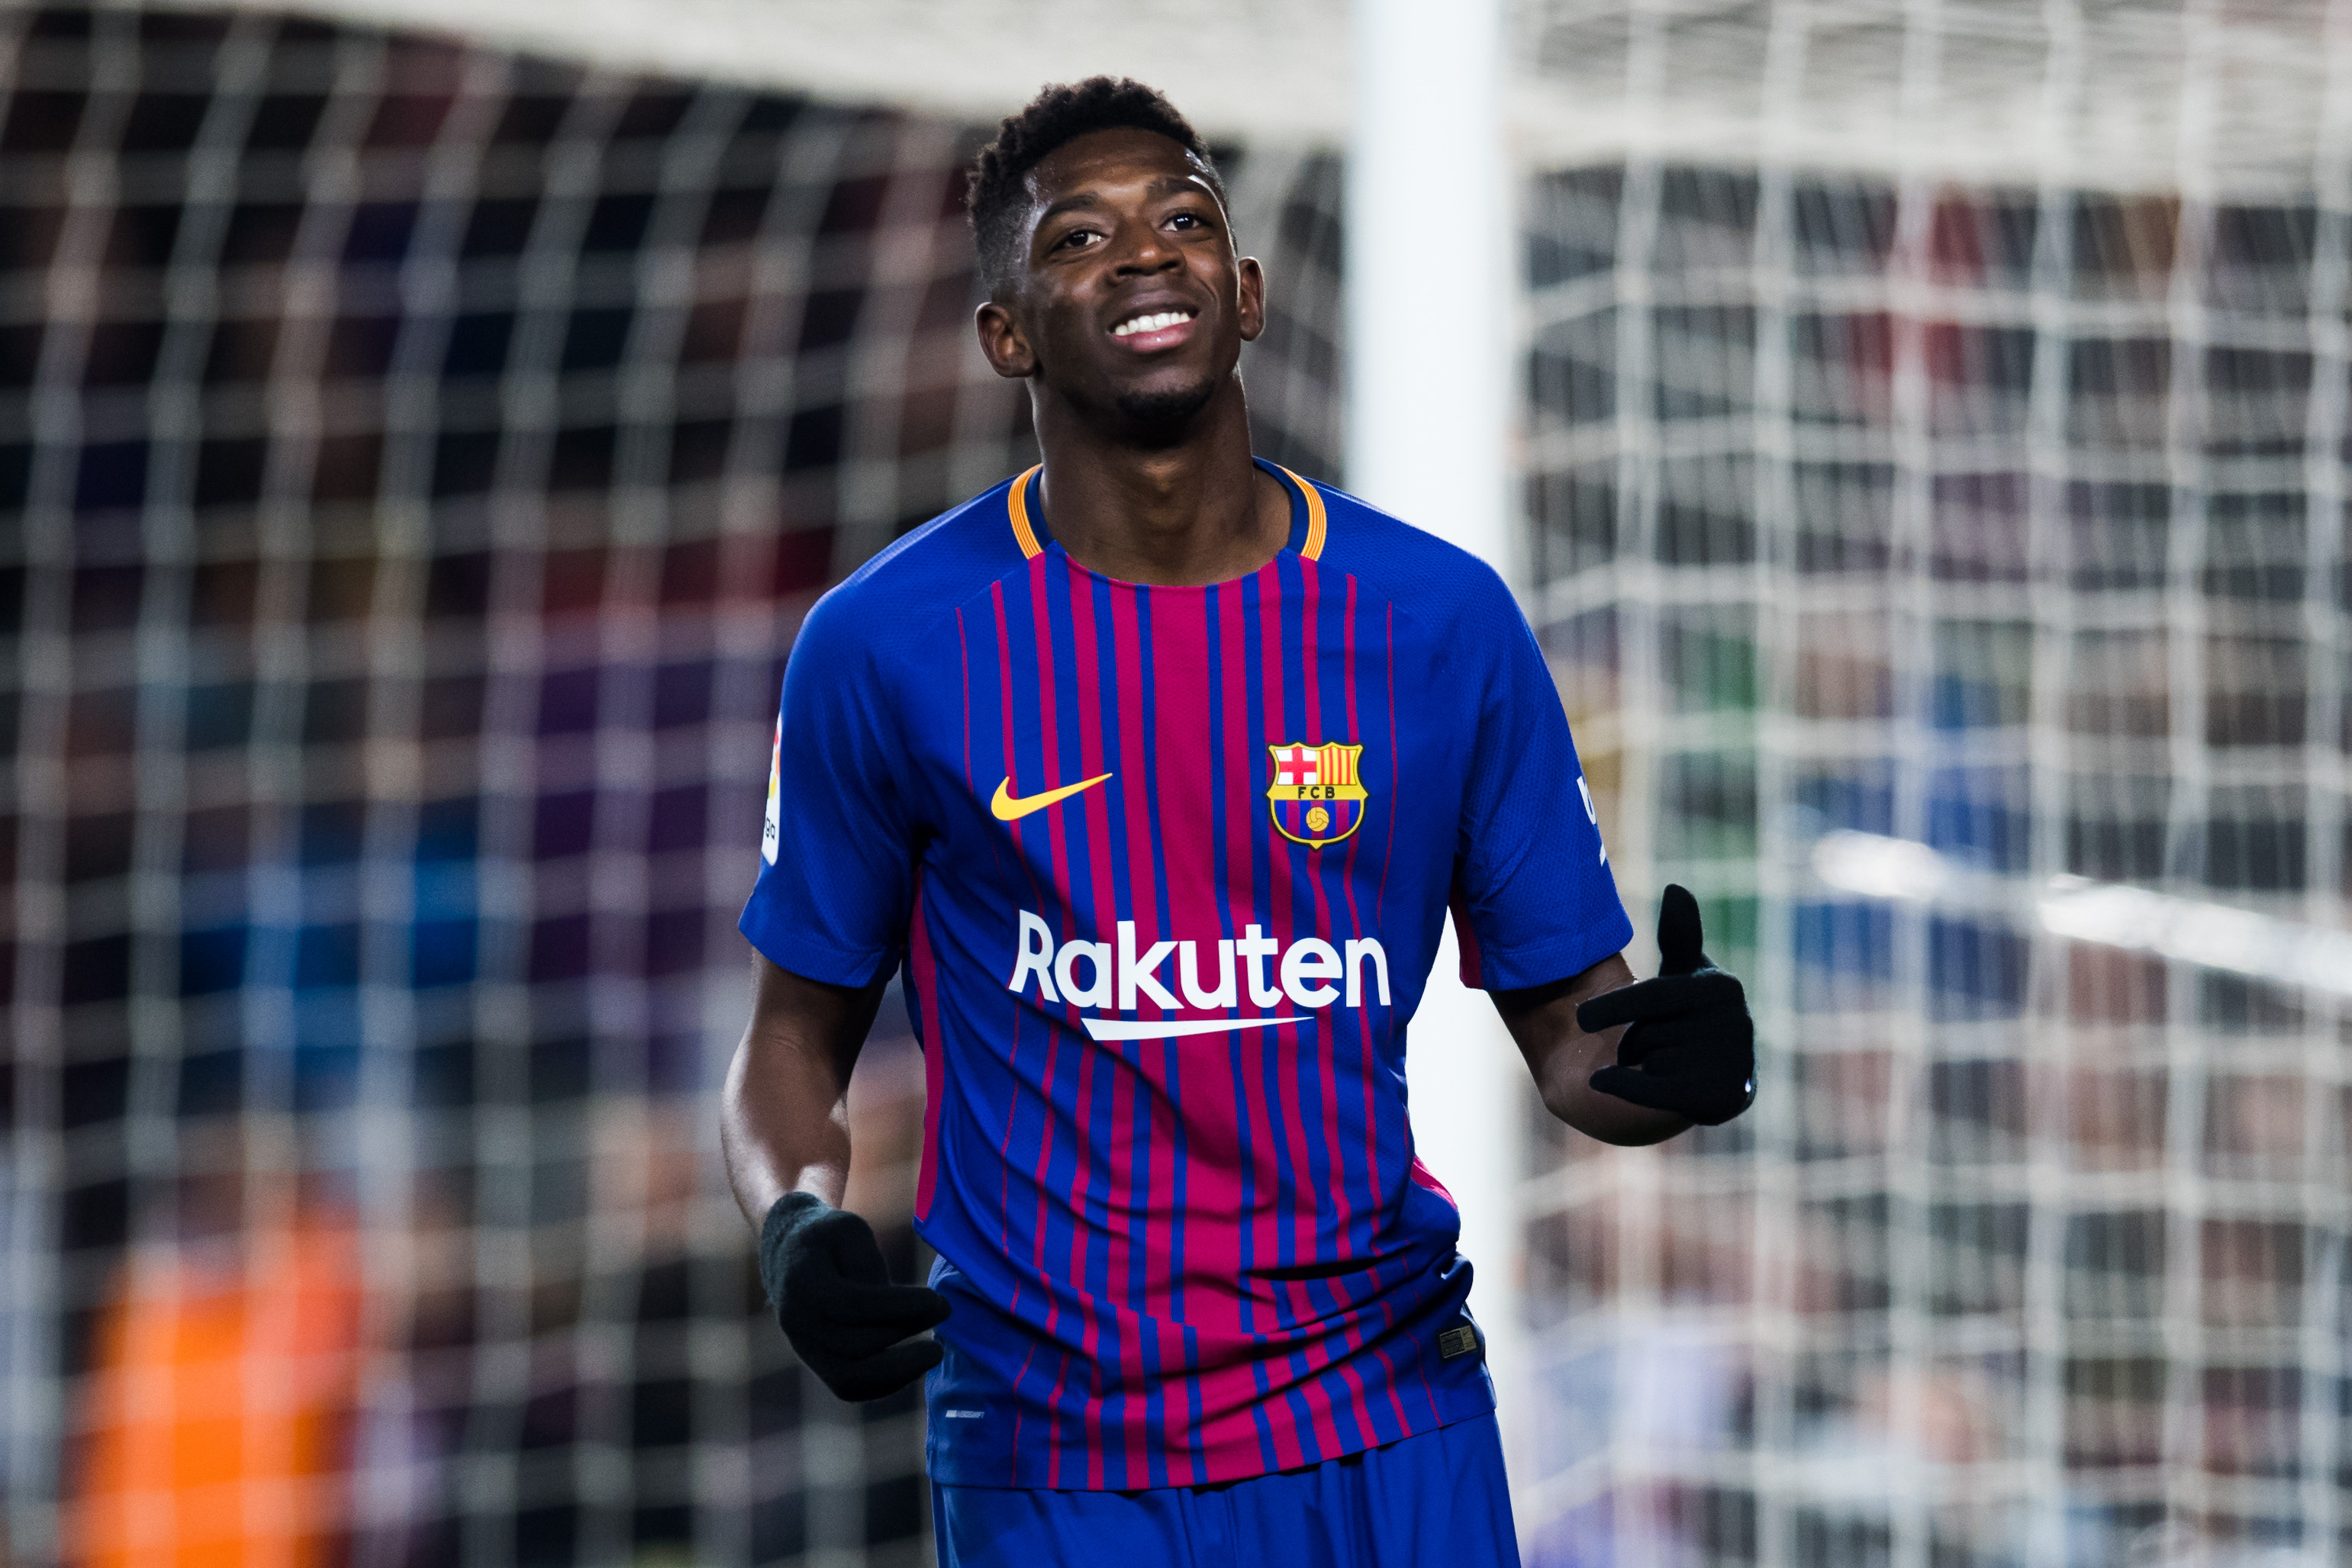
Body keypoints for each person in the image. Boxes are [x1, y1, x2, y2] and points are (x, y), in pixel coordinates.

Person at [721, 76, 1756, 1567]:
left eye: (1185, 219)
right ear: (1004, 332)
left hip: (1386, 1423)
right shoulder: (887, 643)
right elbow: (789, 1038)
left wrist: (1679, 1064)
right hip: (1055, 1460)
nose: (1145, 253)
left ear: (1246, 291)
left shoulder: (1436, 620)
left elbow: (1578, 1044)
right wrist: (794, 1226)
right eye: (1078, 237)